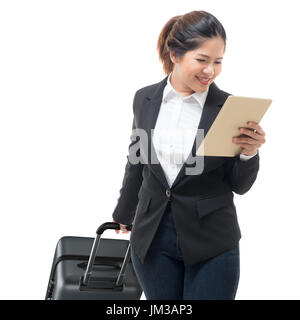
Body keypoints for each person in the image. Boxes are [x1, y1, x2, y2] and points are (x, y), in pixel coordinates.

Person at [112, 10, 266, 300]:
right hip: (152, 238)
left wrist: (249, 153)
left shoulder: (228, 108)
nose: (211, 70)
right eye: (202, 60)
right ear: (175, 54)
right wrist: (124, 212)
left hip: (212, 242)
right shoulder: (144, 98)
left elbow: (240, 186)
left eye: (218, 61)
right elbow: (136, 159)